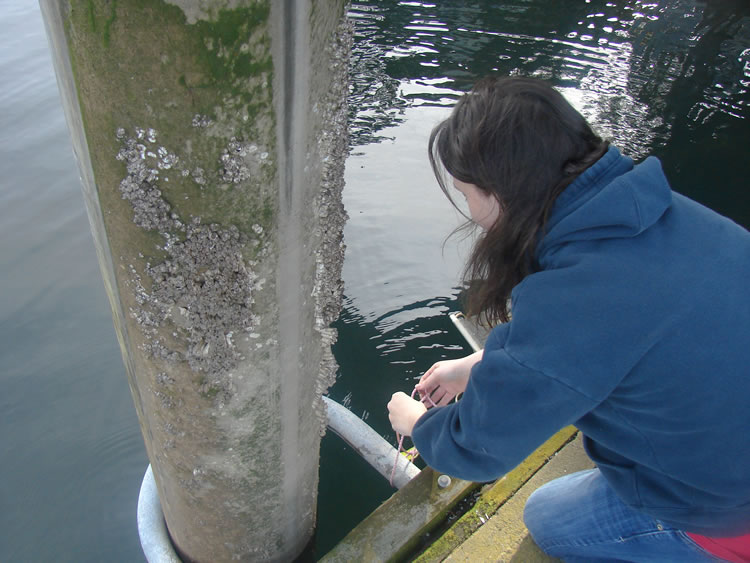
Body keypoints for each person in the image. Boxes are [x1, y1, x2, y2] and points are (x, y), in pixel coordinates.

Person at [387, 76, 750, 562]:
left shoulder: (576, 299)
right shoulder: (668, 214)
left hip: (726, 514)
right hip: (730, 442)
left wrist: (419, 424)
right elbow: (620, 334)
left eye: (466, 193)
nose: (469, 211)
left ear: (500, 193)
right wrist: (475, 368)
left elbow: (475, 448)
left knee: (547, 517)